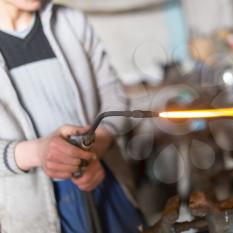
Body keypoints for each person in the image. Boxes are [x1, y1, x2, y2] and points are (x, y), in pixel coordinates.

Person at [0, 0, 144, 232]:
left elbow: (113, 93)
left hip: (101, 177)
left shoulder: (70, 21)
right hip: (32, 209)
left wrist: (94, 148)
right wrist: (38, 152)